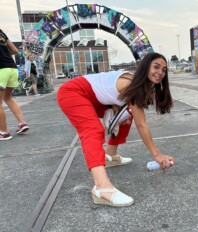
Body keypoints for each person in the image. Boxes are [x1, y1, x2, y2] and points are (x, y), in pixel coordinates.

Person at [57, 52, 175, 207]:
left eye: (164, 70)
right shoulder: (131, 84)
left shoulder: (137, 84)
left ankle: (110, 156)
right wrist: (157, 155)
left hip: (92, 97)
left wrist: (116, 108)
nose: (160, 72)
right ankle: (102, 188)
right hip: (72, 92)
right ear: (145, 67)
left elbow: (108, 89)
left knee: (127, 115)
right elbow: (142, 125)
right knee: (92, 130)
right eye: (156, 67)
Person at [0, 29, 30, 141]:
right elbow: (14, 50)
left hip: (1, 70)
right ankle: (22, 123)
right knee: (8, 98)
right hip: (12, 68)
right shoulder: (1, 32)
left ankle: (4, 132)